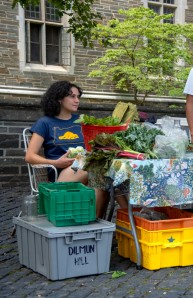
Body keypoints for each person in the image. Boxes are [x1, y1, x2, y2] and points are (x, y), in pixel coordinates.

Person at [25, 81, 126, 218]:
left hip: (89, 169)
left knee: (105, 181)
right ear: (59, 99)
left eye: (78, 97)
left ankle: (95, 225)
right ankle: (131, 215)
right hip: (62, 173)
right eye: (72, 96)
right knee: (105, 169)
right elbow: (30, 156)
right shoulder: (45, 123)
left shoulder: (82, 121)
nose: (76, 100)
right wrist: (56, 163)